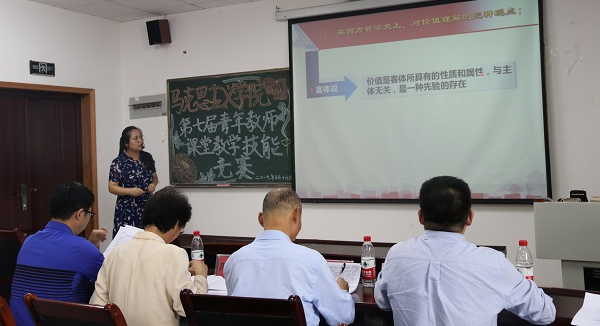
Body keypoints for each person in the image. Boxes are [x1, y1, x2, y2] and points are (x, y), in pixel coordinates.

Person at [374, 175, 556, 326]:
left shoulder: (397, 255)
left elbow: (382, 302)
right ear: (470, 217)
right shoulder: (493, 263)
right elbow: (545, 313)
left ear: (420, 216)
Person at [224, 188, 355, 326]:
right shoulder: (311, 261)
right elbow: (342, 317)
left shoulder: (234, 261)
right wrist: (341, 291)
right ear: (296, 215)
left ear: (261, 219)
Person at [90, 186, 208, 326]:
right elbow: (189, 308)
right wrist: (201, 276)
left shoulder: (114, 253)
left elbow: (97, 305)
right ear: (176, 224)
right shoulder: (174, 254)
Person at [10, 182, 107, 326]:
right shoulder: (83, 249)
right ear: (80, 214)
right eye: (90, 214)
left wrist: (90, 244)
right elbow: (112, 281)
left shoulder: (29, 241)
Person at [109, 126, 158, 237]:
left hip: (147, 206)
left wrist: (153, 185)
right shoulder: (118, 162)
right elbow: (112, 187)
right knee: (127, 241)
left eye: (141, 137)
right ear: (126, 143)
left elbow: (154, 177)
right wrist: (130, 191)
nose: (140, 140)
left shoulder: (147, 157)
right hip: (127, 209)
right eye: (136, 138)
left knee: (147, 239)